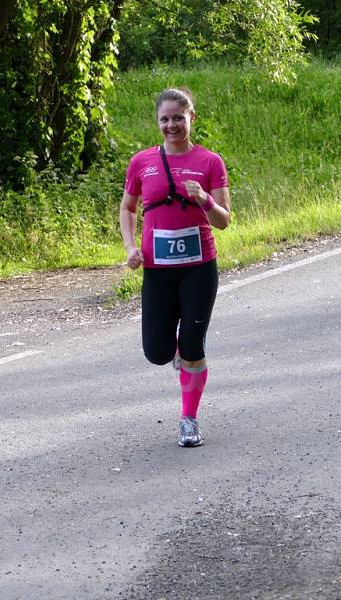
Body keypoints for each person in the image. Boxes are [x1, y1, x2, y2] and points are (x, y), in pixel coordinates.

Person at [119, 87, 231, 447]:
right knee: (158, 352)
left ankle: (189, 419)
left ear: (191, 118)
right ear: (158, 122)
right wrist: (130, 247)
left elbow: (224, 221)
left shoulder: (210, 162)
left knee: (193, 345)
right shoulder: (141, 162)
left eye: (178, 118)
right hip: (158, 269)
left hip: (199, 267)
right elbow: (128, 208)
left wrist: (204, 199)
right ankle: (177, 355)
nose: (172, 125)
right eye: (165, 119)